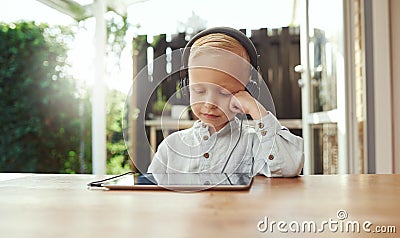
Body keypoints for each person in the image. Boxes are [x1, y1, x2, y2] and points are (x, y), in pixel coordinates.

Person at [148, 27, 304, 177]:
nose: (210, 104)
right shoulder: (171, 147)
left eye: (223, 93)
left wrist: (256, 109)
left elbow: (289, 167)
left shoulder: (254, 143)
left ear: (248, 91)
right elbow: (149, 194)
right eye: (199, 91)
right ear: (186, 88)